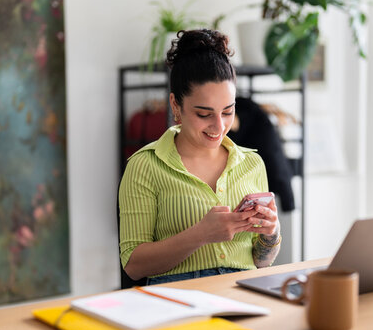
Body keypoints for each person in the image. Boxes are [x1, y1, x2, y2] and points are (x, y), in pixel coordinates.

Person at [119, 29, 281, 285]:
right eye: (204, 114)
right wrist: (201, 234)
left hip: (243, 293)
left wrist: (271, 233)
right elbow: (133, 265)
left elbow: (262, 261)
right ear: (175, 105)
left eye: (228, 112)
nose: (218, 126)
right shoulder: (145, 165)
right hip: (178, 302)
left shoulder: (252, 163)